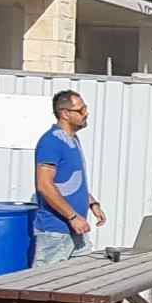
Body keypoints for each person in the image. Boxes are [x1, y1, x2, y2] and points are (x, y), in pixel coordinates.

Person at [33, 90, 105, 266]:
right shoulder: (51, 142)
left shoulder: (73, 140)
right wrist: (73, 217)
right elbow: (44, 185)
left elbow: (71, 181)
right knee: (48, 281)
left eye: (85, 108)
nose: (86, 113)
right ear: (65, 113)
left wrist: (92, 203)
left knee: (84, 278)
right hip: (55, 233)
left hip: (77, 231)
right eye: (81, 110)